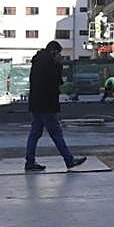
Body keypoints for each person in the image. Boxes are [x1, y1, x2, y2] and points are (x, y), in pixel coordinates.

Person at [24, 41, 86, 172]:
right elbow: (56, 81)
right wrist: (58, 65)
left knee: (35, 133)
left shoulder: (38, 61)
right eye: (59, 54)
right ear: (53, 52)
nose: (60, 56)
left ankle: (30, 161)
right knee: (56, 133)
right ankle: (69, 160)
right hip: (46, 104)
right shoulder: (49, 64)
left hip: (36, 103)